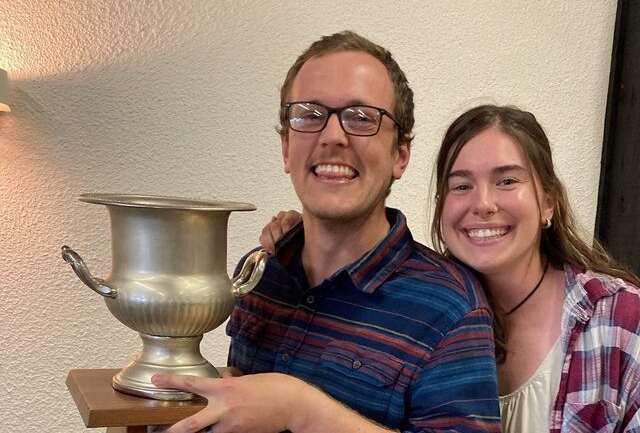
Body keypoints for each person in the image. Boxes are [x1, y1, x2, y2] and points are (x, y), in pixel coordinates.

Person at [262, 105, 640, 432]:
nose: (483, 204)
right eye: (461, 185)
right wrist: (313, 238)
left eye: (508, 181)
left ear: (548, 201)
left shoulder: (617, 320)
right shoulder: (420, 307)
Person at [151, 32, 501, 433]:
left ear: (400, 156)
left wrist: (302, 410)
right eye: (309, 114)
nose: (333, 136)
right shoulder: (258, 272)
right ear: (286, 147)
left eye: (362, 117)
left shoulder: (452, 308)